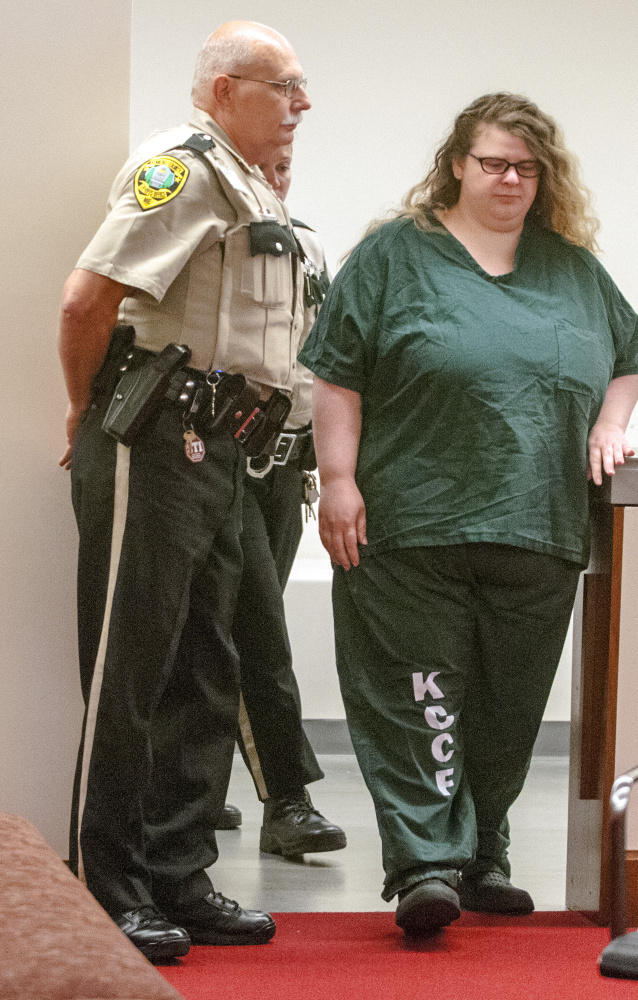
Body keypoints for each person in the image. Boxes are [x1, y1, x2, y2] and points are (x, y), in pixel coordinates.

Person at [298, 92, 638, 936]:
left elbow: (627, 358)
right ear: (457, 163)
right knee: (420, 701)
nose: (510, 179)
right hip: (409, 526)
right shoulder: (391, 257)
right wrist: (336, 478)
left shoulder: (574, 270)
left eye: (527, 167)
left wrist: (609, 422)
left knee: (506, 709)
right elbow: (336, 375)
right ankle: (424, 864)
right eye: (493, 163)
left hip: (538, 526)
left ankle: (482, 853)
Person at [58, 21, 311, 962]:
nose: (302, 105)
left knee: (209, 665)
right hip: (158, 435)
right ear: (219, 90)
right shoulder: (182, 168)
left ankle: (179, 871)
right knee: (131, 668)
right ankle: (109, 882)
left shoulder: (251, 187)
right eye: (283, 85)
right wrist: (85, 417)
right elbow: (88, 299)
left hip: (224, 448)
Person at [219, 145, 346, 857]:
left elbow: (320, 362)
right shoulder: (214, 241)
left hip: (287, 463)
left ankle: (199, 794)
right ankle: (288, 801)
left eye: (285, 160)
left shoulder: (307, 246)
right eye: (262, 160)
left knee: (231, 626)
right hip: (225, 455)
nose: (277, 170)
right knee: (258, 627)